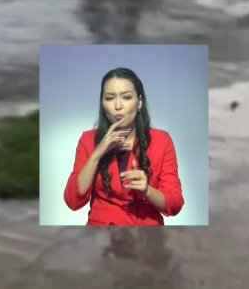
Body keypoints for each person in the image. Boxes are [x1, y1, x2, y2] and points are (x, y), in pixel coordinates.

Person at [63, 67, 184, 226]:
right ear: (102, 103)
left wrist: (147, 191)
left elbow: (175, 204)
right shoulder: (88, 140)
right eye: (109, 98)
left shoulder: (162, 140)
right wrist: (97, 154)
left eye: (126, 97)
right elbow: (72, 201)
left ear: (139, 102)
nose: (118, 106)